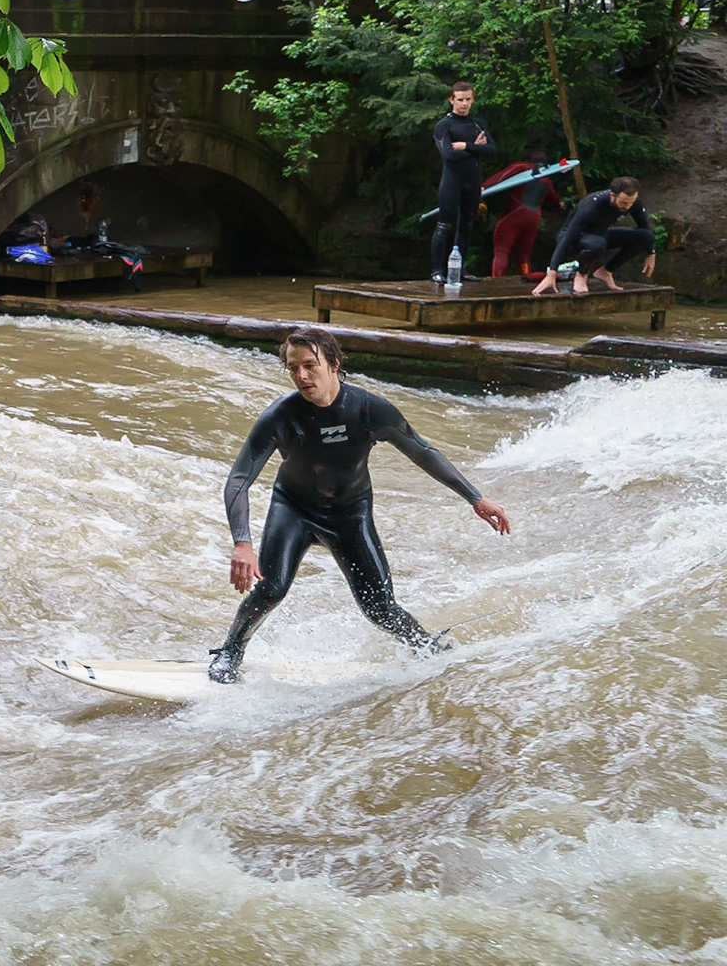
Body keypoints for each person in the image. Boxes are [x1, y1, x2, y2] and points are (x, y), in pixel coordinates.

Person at [207, 328, 510, 684]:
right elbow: (239, 479)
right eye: (293, 368)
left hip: (350, 514)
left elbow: (422, 451)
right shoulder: (281, 416)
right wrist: (242, 543)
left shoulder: (369, 410)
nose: (301, 376)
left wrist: (475, 498)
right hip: (294, 509)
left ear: (334, 365)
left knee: (379, 608)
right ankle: (230, 651)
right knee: (271, 589)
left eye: (310, 365)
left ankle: (430, 651)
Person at [532, 175, 657, 296]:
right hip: (575, 238)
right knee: (597, 244)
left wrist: (651, 253)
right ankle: (581, 274)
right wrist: (552, 272)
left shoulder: (633, 203)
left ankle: (606, 271)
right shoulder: (591, 205)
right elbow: (568, 237)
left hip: (600, 235)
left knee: (646, 237)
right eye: (624, 203)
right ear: (612, 196)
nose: (628, 206)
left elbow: (645, 227)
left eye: (631, 202)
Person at [428, 80, 496, 281]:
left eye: (468, 99)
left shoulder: (477, 124)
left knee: (467, 224)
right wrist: (476, 148)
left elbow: (491, 150)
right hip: (452, 182)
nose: (464, 104)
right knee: (444, 225)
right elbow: (448, 154)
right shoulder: (444, 125)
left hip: (472, 182)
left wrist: (466, 146)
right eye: (460, 100)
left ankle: (459, 270)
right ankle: (437, 271)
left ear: (472, 100)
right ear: (452, 100)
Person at [482, 159, 562, 278]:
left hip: (514, 215)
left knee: (501, 251)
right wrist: (560, 202)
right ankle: (526, 279)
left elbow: (502, 177)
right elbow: (555, 200)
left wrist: (484, 186)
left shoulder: (521, 167)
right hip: (534, 218)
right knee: (524, 254)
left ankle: (497, 281)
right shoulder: (546, 178)